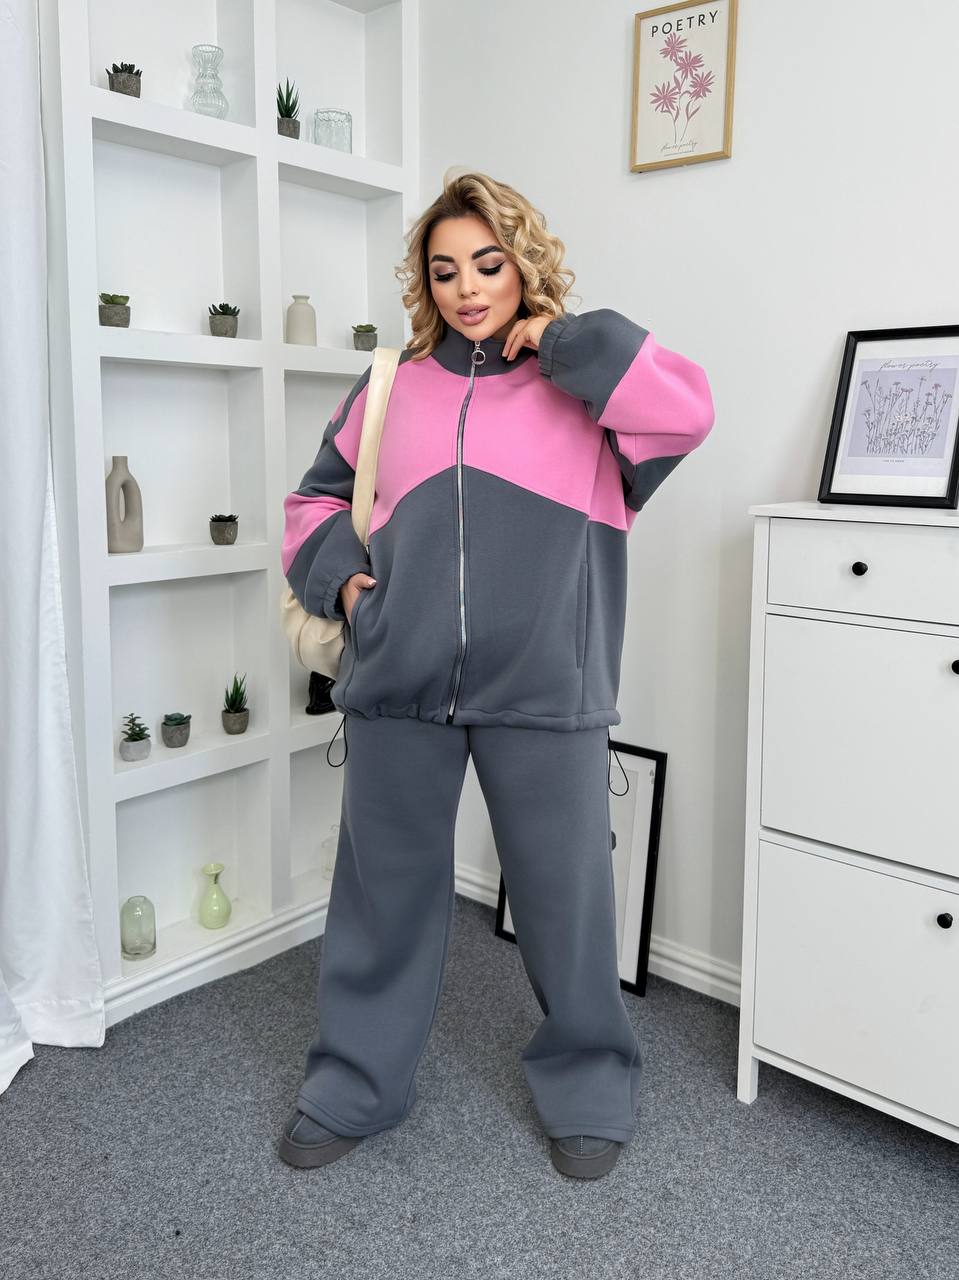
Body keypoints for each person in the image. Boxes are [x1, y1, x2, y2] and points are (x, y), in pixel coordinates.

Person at [277, 169, 715, 1180]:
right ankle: (354, 1081)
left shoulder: (587, 392)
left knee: (567, 901)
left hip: (546, 685)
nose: (467, 288)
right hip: (399, 681)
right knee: (381, 896)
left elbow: (686, 410)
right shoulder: (391, 387)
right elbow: (313, 504)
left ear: (523, 263)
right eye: (444, 272)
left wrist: (561, 342)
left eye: (487, 263)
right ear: (423, 284)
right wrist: (352, 590)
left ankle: (590, 1082)